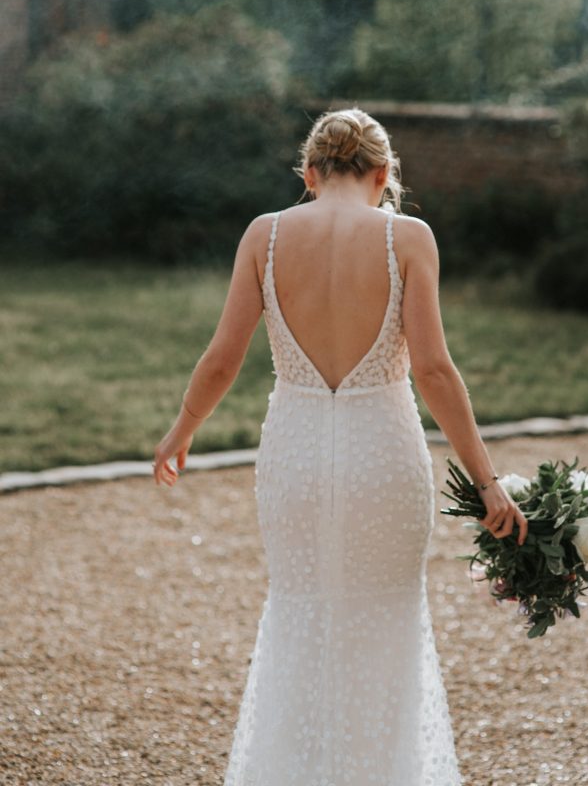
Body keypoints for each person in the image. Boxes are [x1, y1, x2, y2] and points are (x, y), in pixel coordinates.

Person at [152, 106, 528, 786]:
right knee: (387, 624)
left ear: (309, 172)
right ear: (383, 175)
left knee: (298, 615)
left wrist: (182, 429)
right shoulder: (408, 237)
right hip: (383, 456)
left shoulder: (265, 235)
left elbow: (222, 358)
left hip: (294, 457)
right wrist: (487, 481)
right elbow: (434, 371)